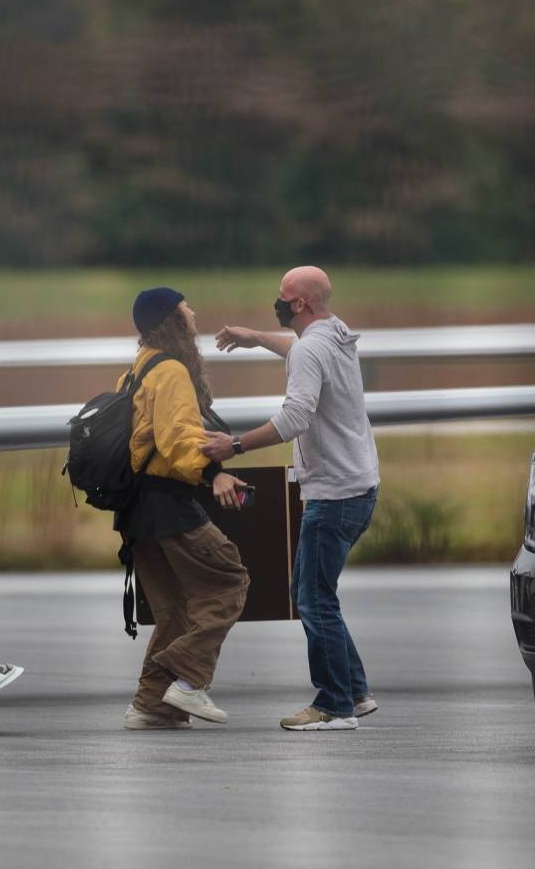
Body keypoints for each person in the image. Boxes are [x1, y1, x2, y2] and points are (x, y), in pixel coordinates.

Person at [201, 266, 380, 731]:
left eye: (283, 296)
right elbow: (301, 350)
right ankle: (355, 691)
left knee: (313, 598)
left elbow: (295, 417)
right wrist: (256, 337)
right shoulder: (335, 334)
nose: (277, 302)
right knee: (315, 592)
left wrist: (233, 445)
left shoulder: (312, 350)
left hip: (333, 493)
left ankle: (334, 704)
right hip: (359, 485)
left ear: (299, 305)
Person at [118, 287, 251, 730]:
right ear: (173, 319)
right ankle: (189, 682)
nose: (193, 311)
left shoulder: (138, 369)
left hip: (137, 511)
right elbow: (177, 440)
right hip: (169, 503)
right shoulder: (171, 370)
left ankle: (151, 705)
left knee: (174, 610)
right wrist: (214, 473)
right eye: (185, 306)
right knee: (228, 581)